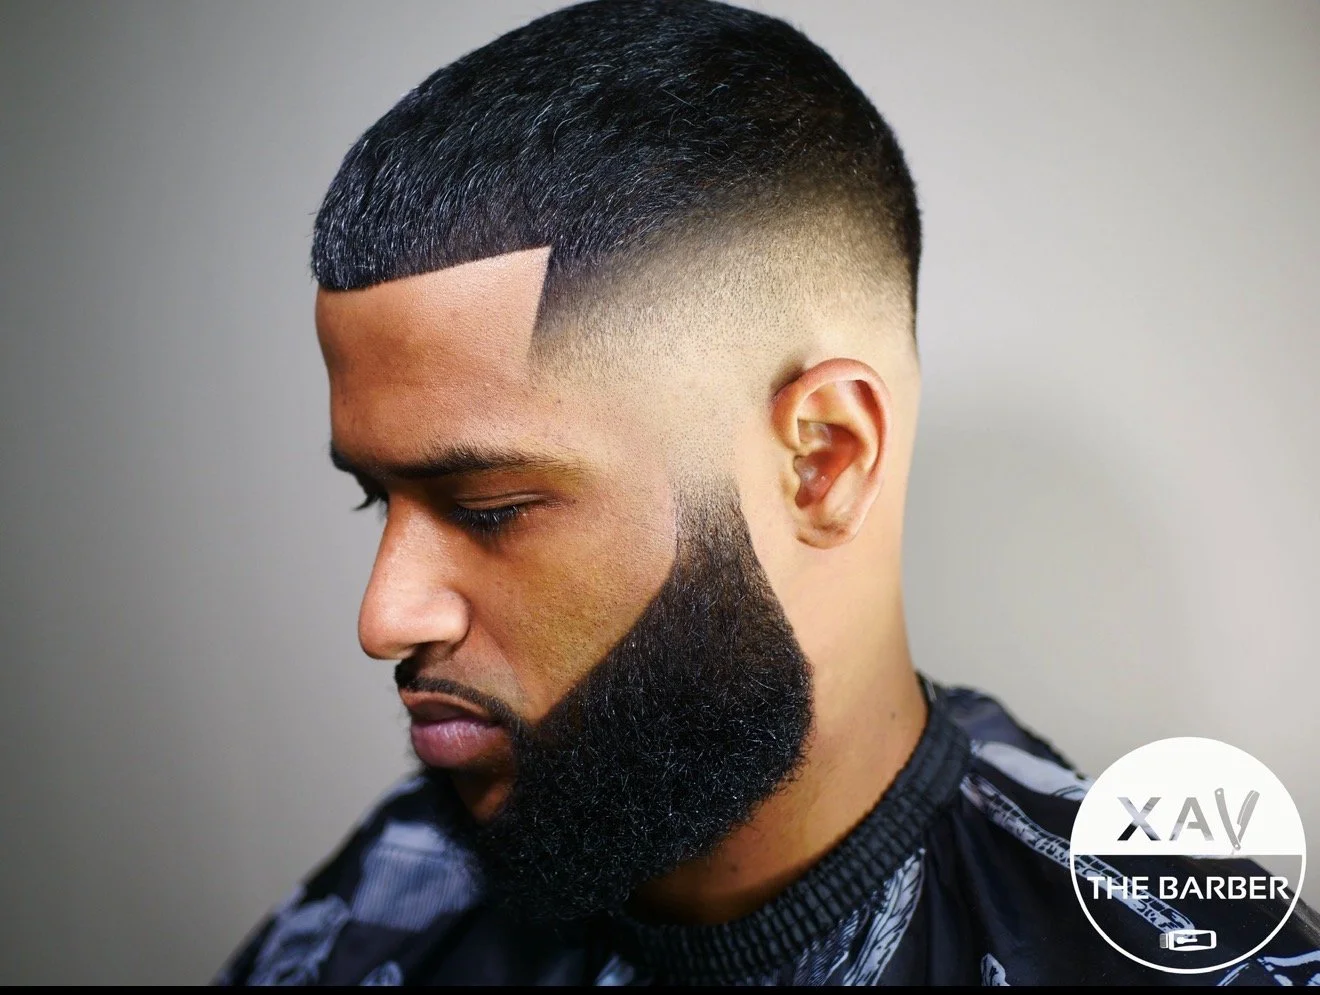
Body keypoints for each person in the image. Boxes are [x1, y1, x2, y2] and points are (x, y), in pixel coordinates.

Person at [216, 0, 1319, 985]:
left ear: (822, 458)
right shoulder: (385, 901)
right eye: (378, 500)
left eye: (490, 505)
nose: (384, 615)